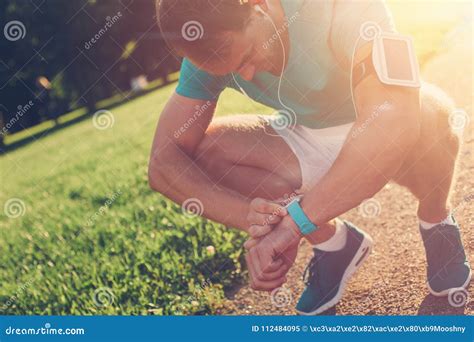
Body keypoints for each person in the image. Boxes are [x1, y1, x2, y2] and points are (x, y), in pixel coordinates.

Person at [149, 0, 471, 315]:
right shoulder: (214, 51)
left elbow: (392, 122)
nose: (245, 75)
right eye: (232, 70)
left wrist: (293, 227)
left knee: (432, 118)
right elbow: (164, 164)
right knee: (208, 154)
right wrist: (253, 219)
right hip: (311, 135)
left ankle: (436, 219)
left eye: (247, 56)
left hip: (375, 119)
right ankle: (334, 245)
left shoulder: (339, 9)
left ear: (255, 4)